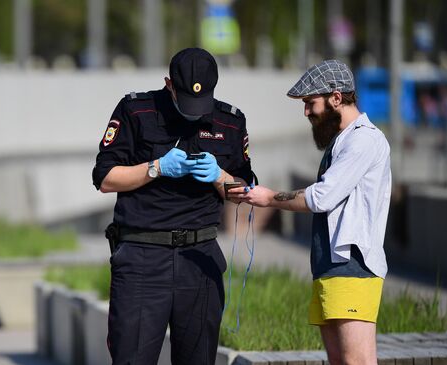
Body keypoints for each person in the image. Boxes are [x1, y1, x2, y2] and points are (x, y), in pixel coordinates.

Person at [92, 47, 254, 365]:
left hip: (200, 260)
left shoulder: (230, 122)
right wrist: (156, 168)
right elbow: (104, 178)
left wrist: (220, 176)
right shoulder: (135, 111)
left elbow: (244, 193)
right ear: (169, 85)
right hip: (142, 259)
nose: (196, 111)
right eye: (186, 101)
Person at [229, 60, 391, 365]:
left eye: (309, 103)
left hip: (352, 268)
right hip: (330, 268)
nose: (306, 112)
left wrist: (268, 198)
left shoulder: (364, 140)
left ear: (336, 97)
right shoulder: (341, 142)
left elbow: (322, 197)